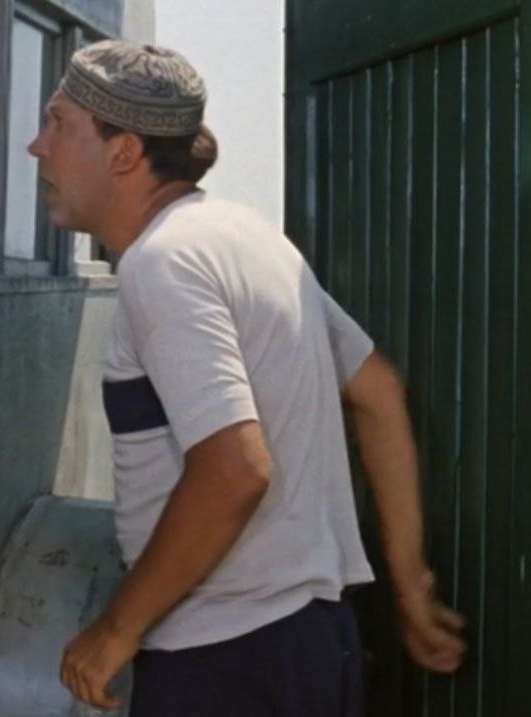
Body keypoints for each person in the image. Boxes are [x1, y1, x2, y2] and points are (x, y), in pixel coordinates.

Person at [27, 39, 465, 715]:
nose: (38, 146)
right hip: (317, 645)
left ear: (124, 152)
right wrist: (411, 584)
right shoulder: (247, 235)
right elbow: (378, 390)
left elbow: (234, 468)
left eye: (58, 123)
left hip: (223, 660)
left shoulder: (162, 263)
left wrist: (117, 628)